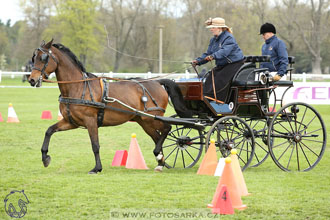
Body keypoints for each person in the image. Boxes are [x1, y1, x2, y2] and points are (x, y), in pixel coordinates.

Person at [192, 17, 244, 102]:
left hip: (234, 64)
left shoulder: (229, 38)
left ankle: (218, 101)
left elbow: (224, 52)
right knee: (209, 78)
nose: (211, 30)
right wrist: (198, 61)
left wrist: (213, 56)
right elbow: (208, 53)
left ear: (220, 28)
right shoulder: (213, 40)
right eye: (211, 28)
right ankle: (206, 99)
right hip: (222, 65)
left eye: (213, 27)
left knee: (219, 80)